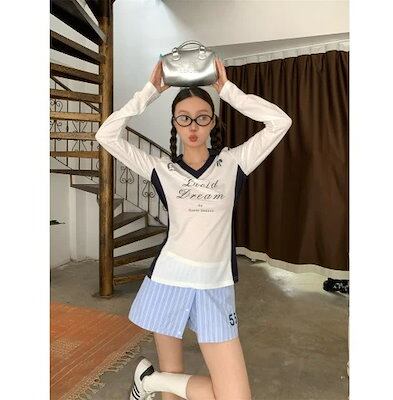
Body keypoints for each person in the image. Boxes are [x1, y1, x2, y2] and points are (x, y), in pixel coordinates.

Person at [95, 57, 292, 400]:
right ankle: (159, 383)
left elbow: (280, 122)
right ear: (174, 122)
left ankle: (149, 382)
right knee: (173, 384)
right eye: (183, 118)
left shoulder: (234, 162)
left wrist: (227, 90)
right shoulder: (161, 169)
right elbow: (105, 135)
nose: (193, 125)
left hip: (215, 285)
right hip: (169, 280)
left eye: (202, 117)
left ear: (213, 121)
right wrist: (149, 93)